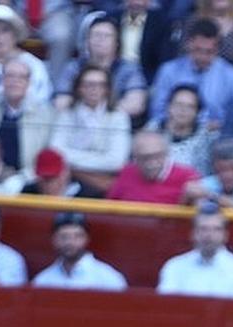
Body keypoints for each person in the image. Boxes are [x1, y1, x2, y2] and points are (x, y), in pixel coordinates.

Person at [48, 63, 133, 195]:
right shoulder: (67, 114)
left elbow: (116, 161)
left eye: (100, 85)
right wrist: (97, 160)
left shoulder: (119, 117)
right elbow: (55, 151)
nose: (94, 89)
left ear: (107, 89)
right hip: (69, 180)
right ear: (79, 88)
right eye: (89, 84)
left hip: (105, 183)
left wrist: (73, 163)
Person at [148, 17, 233, 127]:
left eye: (209, 52)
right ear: (189, 44)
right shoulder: (169, 71)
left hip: (216, 136)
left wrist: (219, 125)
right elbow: (157, 112)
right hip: (175, 133)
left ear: (218, 49)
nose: (203, 57)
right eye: (198, 50)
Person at [52, 13, 149, 121]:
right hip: (78, 122)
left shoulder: (129, 69)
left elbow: (136, 104)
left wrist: (101, 114)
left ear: (117, 42)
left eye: (106, 36)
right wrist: (87, 113)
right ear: (87, 40)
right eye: (96, 35)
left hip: (115, 124)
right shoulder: (74, 67)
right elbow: (60, 102)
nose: (100, 40)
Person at [157, 205, 233, 299]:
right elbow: (168, 308)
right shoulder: (174, 267)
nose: (209, 235)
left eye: (216, 229)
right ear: (193, 234)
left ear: (225, 235)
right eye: (203, 229)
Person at [32, 210, 130, 291]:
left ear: (86, 239)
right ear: (54, 240)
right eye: (63, 236)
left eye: (77, 236)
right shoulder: (43, 280)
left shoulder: (108, 278)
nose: (69, 242)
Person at [108, 130, 202, 203]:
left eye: (157, 156)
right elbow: (110, 207)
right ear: (135, 158)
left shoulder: (187, 176)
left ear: (166, 154)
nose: (152, 163)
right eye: (145, 158)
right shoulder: (127, 172)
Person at [145, 84, 214, 176]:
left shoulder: (206, 139)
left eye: (190, 106)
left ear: (197, 112)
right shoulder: (151, 131)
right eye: (178, 104)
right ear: (168, 106)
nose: (183, 110)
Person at [20, 146, 105, 198]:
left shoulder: (88, 196)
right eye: (44, 179)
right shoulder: (28, 193)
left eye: (52, 178)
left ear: (65, 173)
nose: (48, 185)